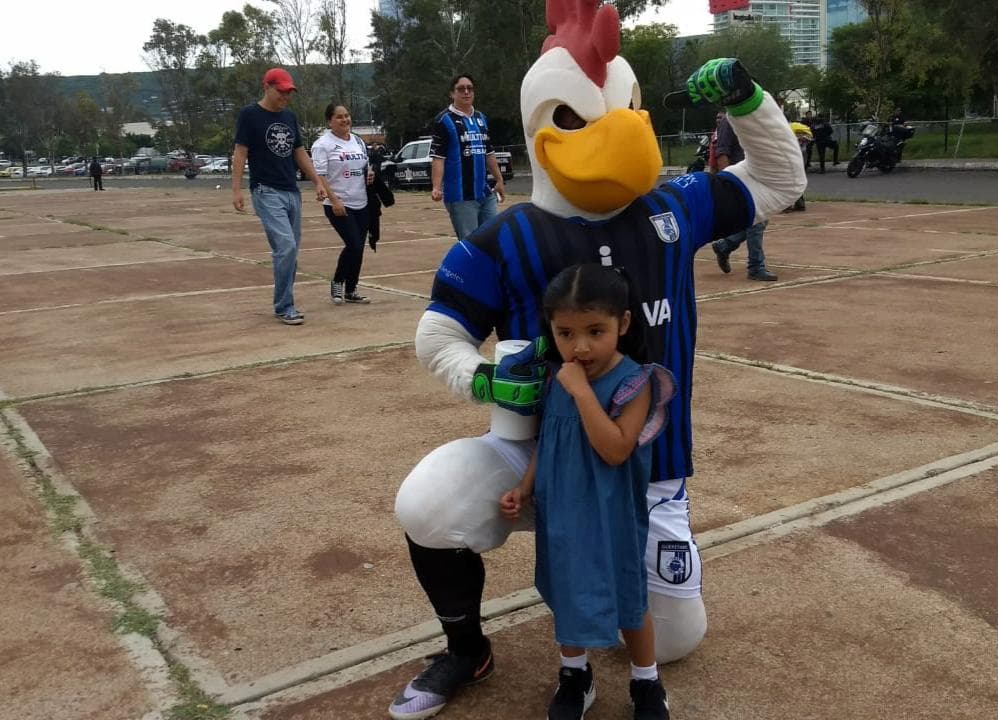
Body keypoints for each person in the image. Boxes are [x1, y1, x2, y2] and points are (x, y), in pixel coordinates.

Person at [388, 6, 805, 716]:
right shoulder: (506, 236)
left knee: (670, 639)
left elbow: (779, 179)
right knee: (426, 504)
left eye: (627, 110)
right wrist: (481, 377)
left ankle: (620, 601)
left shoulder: (676, 209)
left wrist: (748, 97)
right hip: (540, 462)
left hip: (650, 468)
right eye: (580, 119)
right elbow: (438, 334)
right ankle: (467, 649)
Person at [499, 264, 676, 720]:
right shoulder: (561, 378)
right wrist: (524, 485)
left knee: (629, 595)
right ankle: (575, 674)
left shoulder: (635, 381)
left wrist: (581, 393)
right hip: (563, 508)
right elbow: (549, 440)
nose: (579, 346)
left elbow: (616, 449)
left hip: (611, 511)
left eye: (596, 331)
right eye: (565, 333)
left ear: (624, 324)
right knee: (568, 587)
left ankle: (646, 680)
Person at [231, 67, 326, 326]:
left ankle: (285, 301)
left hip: (291, 190)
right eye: (281, 91)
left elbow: (299, 152)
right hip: (265, 190)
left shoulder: (289, 117)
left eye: (288, 92)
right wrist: (237, 189)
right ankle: (285, 305)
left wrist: (317, 181)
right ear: (267, 87)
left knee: (291, 251)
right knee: (286, 246)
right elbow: (240, 153)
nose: (285, 96)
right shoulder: (250, 115)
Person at [311, 103, 374, 306]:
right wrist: (334, 199)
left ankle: (351, 289)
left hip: (361, 201)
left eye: (347, 115)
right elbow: (320, 175)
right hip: (338, 203)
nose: (345, 120)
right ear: (330, 121)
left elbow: (365, 165)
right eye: (339, 117)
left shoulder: (357, 140)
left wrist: (370, 174)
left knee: (359, 248)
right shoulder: (323, 144)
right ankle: (338, 281)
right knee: (353, 244)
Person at [430, 74, 506, 240]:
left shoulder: (481, 118)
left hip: (485, 193)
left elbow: (489, 153)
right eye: (461, 89)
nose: (466, 92)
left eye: (470, 88)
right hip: (461, 197)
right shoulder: (444, 120)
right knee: (471, 244)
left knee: (495, 239)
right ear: (452, 93)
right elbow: (438, 158)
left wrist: (499, 180)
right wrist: (436, 187)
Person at [710, 112, 779, 281]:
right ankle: (755, 266)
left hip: (756, 176)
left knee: (758, 220)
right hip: (740, 178)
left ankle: (724, 246)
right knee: (756, 221)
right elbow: (722, 153)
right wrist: (728, 182)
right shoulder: (728, 120)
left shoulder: (752, 118)